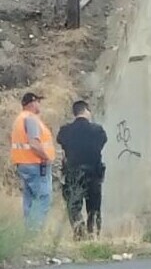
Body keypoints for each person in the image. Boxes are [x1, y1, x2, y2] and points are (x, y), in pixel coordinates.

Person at [57, 100, 108, 240]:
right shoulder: (97, 130)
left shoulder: (65, 131)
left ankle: (79, 234)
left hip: (73, 173)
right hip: (93, 172)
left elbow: (61, 142)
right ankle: (93, 235)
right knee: (94, 207)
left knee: (74, 205)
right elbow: (102, 142)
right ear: (86, 111)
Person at [10, 92, 56, 232]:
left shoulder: (19, 119)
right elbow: (34, 144)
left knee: (29, 199)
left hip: (24, 164)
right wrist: (46, 157)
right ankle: (34, 232)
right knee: (43, 197)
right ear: (32, 103)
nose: (39, 105)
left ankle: (28, 233)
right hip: (36, 164)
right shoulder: (31, 119)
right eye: (38, 102)